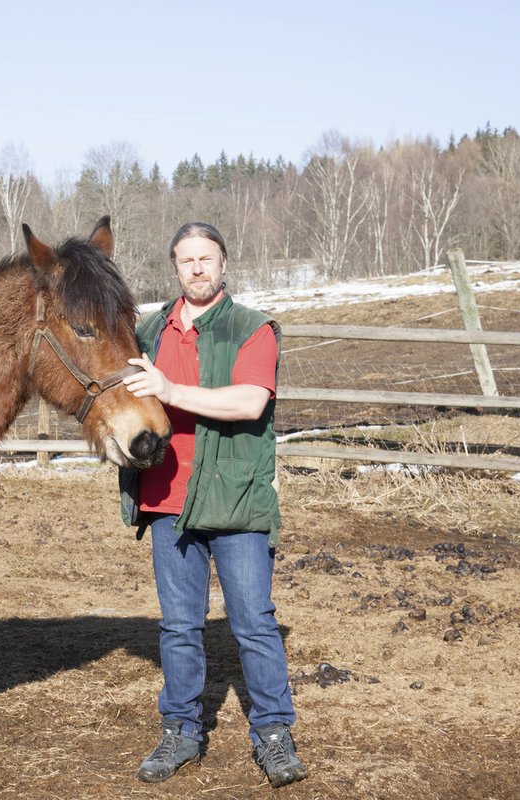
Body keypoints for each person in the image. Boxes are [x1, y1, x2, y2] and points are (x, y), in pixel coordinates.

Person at [119, 222, 306, 789]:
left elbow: (250, 403)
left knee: (253, 622)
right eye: (186, 260)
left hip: (236, 501)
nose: (196, 269)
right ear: (174, 267)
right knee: (179, 626)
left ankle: (273, 733)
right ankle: (180, 730)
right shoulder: (146, 332)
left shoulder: (254, 329)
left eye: (206, 258)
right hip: (166, 501)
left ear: (223, 263)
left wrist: (171, 392)